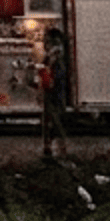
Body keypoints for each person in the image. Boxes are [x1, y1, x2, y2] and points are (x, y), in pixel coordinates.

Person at [38, 25, 69, 158]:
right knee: (49, 121)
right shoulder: (54, 56)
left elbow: (57, 75)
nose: (44, 43)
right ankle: (48, 148)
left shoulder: (56, 57)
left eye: (46, 40)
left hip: (54, 93)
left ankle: (59, 149)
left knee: (54, 121)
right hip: (53, 92)